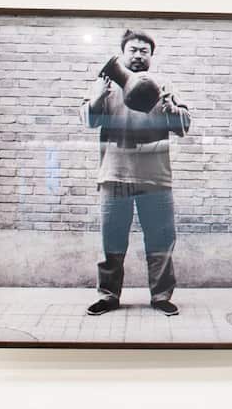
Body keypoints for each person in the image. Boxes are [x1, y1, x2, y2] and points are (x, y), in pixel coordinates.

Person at [79, 29, 191, 316]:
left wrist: (171, 108)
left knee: (161, 241)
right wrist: (96, 98)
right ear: (123, 54)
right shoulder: (105, 84)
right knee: (111, 242)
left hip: (156, 178)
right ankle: (108, 296)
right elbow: (89, 121)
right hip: (115, 175)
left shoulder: (163, 85)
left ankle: (161, 296)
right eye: (133, 50)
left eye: (144, 51)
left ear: (151, 56)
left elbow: (184, 126)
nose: (139, 55)